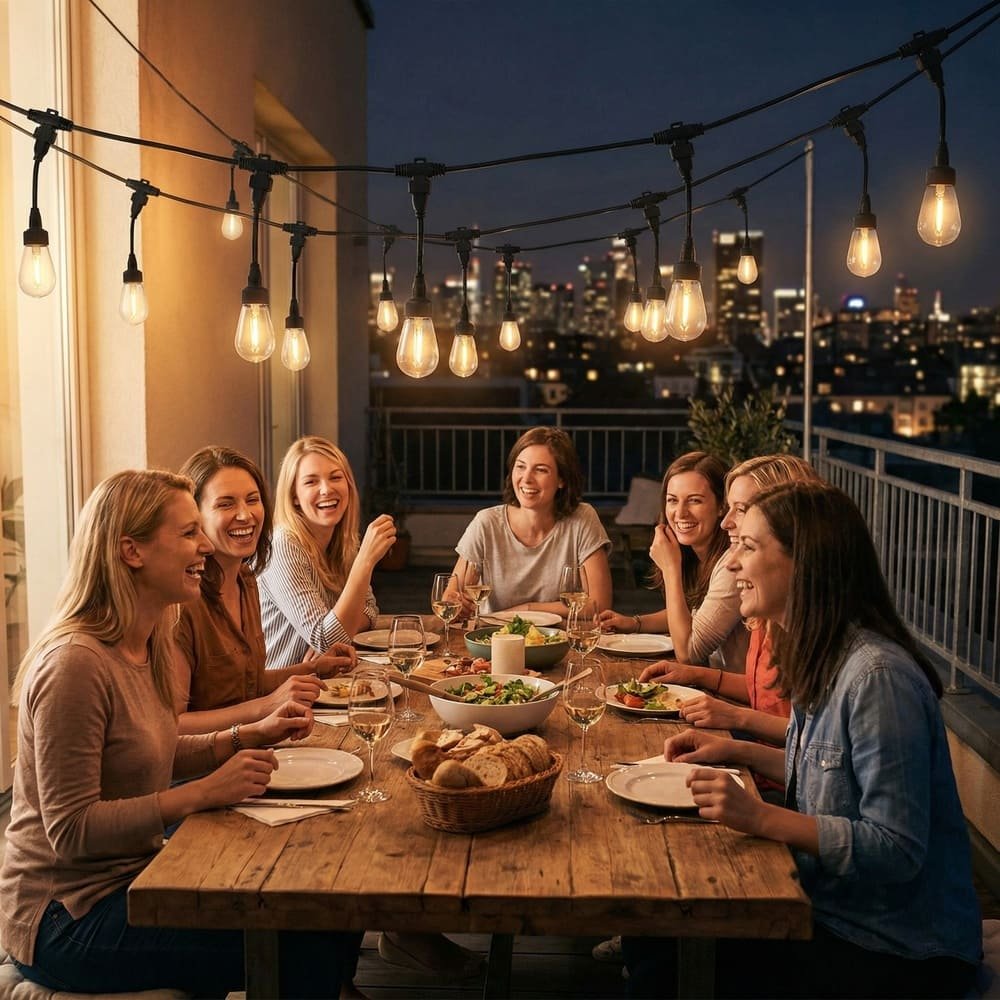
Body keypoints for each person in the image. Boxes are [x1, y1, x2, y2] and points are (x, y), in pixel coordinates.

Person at [0, 470, 358, 997]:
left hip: (138, 874)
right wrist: (202, 792)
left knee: (324, 893)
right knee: (305, 946)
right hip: (67, 919)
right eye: (189, 533)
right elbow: (72, 829)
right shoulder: (75, 664)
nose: (206, 546)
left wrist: (247, 736)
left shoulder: (148, 640)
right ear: (132, 551)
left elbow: (157, 748)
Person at [623, 482, 982, 999]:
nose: (731, 563)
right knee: (650, 937)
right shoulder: (820, 653)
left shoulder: (877, 678)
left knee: (664, 969)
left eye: (748, 547)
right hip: (830, 909)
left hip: (896, 946)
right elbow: (823, 769)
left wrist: (759, 816)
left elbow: (897, 848)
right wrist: (734, 750)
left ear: (804, 563)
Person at [639, 454, 822, 747]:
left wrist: (735, 719)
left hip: (763, 752)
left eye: (741, 509)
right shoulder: (769, 611)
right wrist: (696, 675)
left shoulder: (819, 626)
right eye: (672, 500)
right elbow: (764, 690)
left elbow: (810, 743)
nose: (727, 523)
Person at [174, 446, 357, 733]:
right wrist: (266, 706)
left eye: (252, 500)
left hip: (253, 744)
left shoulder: (245, 579)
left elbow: (248, 683)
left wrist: (314, 668)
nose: (245, 515)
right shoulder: (180, 601)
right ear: (194, 516)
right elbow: (172, 726)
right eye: (225, 504)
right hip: (216, 757)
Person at [599, 451, 747, 671]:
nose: (680, 513)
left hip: (737, 690)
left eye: (694, 500)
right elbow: (694, 616)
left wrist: (670, 569)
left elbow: (688, 654)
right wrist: (634, 623)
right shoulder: (698, 556)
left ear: (721, 507)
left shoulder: (731, 565)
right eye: (672, 500)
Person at [259, 435, 396, 668]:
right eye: (311, 482)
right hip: (281, 685)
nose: (326, 489)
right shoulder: (283, 545)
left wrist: (335, 632)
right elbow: (327, 639)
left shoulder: (344, 542)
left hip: (326, 680)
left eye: (335, 477)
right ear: (294, 496)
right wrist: (365, 560)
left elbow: (371, 611)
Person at [449, 426, 612, 617]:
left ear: (562, 479)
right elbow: (450, 597)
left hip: (558, 635)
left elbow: (599, 604)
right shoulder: (487, 523)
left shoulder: (582, 518)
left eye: (540, 470)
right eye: (520, 466)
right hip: (496, 634)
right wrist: (457, 603)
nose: (526, 479)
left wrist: (526, 610)